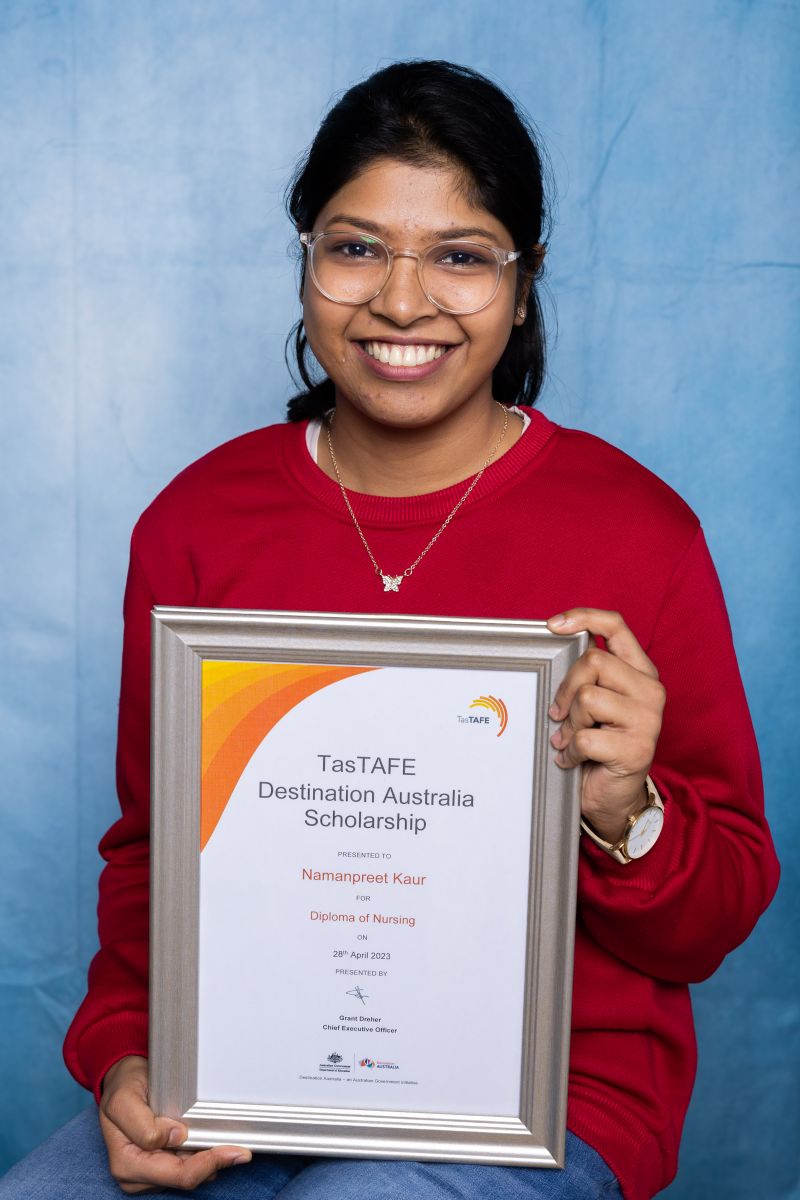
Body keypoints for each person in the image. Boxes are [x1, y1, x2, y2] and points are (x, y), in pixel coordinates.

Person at [1, 59, 779, 1200]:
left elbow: (711, 921)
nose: (401, 301)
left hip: (544, 1098)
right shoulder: (196, 523)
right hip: (243, 1082)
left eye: (460, 257)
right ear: (305, 260)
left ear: (524, 282)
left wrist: (628, 813)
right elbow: (150, 860)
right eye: (355, 246)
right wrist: (124, 1052)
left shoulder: (636, 532)